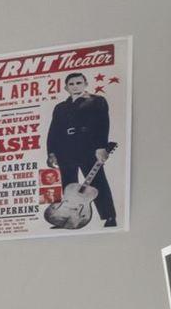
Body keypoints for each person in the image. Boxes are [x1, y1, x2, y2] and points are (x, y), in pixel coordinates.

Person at [42, 69, 117, 229]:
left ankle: (109, 217)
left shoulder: (97, 101)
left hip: (88, 147)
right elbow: (53, 131)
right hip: (65, 150)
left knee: (97, 182)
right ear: (66, 88)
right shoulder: (60, 107)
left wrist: (101, 147)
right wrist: (51, 153)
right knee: (69, 185)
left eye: (79, 83)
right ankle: (67, 218)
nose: (75, 86)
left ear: (85, 84)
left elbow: (103, 124)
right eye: (71, 84)